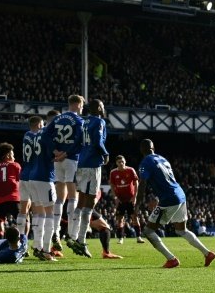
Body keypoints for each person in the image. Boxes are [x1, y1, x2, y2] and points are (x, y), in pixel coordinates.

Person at [134, 138, 215, 268]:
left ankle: (171, 259)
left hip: (169, 199)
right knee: (181, 230)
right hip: (180, 194)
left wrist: (137, 205)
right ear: (153, 148)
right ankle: (207, 253)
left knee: (148, 231)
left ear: (141, 150)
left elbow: (142, 184)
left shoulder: (145, 162)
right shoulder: (163, 159)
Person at [42, 95, 84, 254]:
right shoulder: (79, 121)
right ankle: (71, 234)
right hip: (70, 159)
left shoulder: (58, 118)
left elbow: (45, 135)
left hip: (56, 160)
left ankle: (55, 231)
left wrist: (55, 151)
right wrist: (65, 153)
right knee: (73, 197)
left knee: (59, 198)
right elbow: (79, 141)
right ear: (79, 104)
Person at [67, 99, 109, 258]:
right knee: (89, 203)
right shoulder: (99, 121)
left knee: (81, 201)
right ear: (98, 108)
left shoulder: (83, 122)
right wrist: (105, 153)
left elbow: (77, 142)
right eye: (103, 106)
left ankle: (72, 235)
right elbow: (98, 140)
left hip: (81, 164)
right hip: (92, 165)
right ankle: (81, 240)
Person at [27, 111, 62, 261]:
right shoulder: (48, 135)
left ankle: (37, 246)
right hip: (44, 177)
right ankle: (46, 251)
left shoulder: (34, 134)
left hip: (33, 177)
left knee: (39, 215)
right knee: (50, 215)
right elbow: (55, 155)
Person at [17, 116, 44, 246]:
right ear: (39, 124)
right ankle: (37, 243)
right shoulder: (38, 136)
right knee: (37, 209)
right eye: (42, 124)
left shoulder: (26, 135)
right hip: (34, 175)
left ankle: (20, 241)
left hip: (23, 175)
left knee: (23, 209)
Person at [0, 143, 21, 239]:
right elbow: (22, 181)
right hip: (14, 198)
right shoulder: (15, 165)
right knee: (22, 219)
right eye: (12, 155)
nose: (14, 157)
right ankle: (23, 242)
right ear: (8, 155)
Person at [109, 155, 144, 244]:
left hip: (130, 199)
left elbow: (136, 183)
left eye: (122, 162)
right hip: (120, 200)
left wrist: (134, 196)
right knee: (120, 219)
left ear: (125, 162)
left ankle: (139, 237)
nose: (121, 163)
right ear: (116, 163)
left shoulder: (130, 170)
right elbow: (112, 186)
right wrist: (115, 198)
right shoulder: (113, 173)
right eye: (119, 162)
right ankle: (120, 238)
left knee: (134, 217)